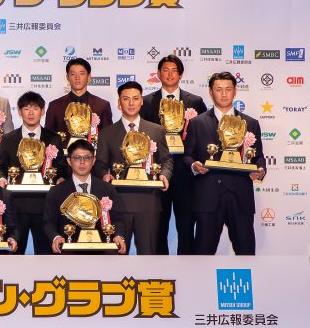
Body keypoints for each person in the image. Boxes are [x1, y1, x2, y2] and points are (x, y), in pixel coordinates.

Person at [184, 71, 267, 255]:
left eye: (228, 89)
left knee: (246, 254)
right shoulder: (197, 123)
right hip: (207, 197)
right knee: (202, 255)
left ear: (235, 91)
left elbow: (258, 157)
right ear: (210, 92)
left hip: (240, 198)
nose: (223, 94)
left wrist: (261, 170)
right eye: (219, 89)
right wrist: (194, 166)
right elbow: (188, 155)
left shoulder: (250, 123)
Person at [139, 54, 208, 255]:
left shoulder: (195, 101)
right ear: (158, 73)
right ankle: (160, 268)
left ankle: (187, 268)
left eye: (174, 70)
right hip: (157, 172)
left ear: (181, 74)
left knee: (186, 226)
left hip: (186, 174)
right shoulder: (146, 102)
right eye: (165, 70)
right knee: (158, 226)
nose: (170, 74)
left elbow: (203, 136)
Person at [93, 81, 173, 254]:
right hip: (118, 203)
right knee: (115, 255)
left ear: (141, 101)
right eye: (126, 98)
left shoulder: (156, 130)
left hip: (148, 202)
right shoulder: (106, 133)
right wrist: (104, 175)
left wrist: (164, 174)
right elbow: (100, 164)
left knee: (148, 254)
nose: (131, 103)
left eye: (135, 98)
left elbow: (166, 160)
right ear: (119, 103)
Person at [0, 91, 66, 254]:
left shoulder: (53, 138)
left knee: (45, 255)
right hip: (16, 204)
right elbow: (1, 167)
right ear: (20, 112)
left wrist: (61, 178)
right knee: (14, 253)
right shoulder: (9, 139)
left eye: (35, 108)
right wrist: (1, 179)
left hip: (45, 205)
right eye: (26, 108)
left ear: (43, 111)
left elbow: (61, 166)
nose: (31, 113)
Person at [44, 139, 126, 255]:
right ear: (69, 161)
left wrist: (118, 236)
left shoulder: (107, 189)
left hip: (102, 248)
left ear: (94, 160)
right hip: (68, 249)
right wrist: (56, 237)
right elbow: (49, 222)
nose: (82, 162)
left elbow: (118, 219)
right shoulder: (56, 191)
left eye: (87, 158)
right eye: (77, 158)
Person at [44, 57, 113, 140]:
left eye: (81, 73)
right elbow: (48, 137)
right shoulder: (55, 106)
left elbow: (108, 138)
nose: (77, 78)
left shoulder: (102, 105)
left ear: (89, 77)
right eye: (73, 74)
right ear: (67, 77)